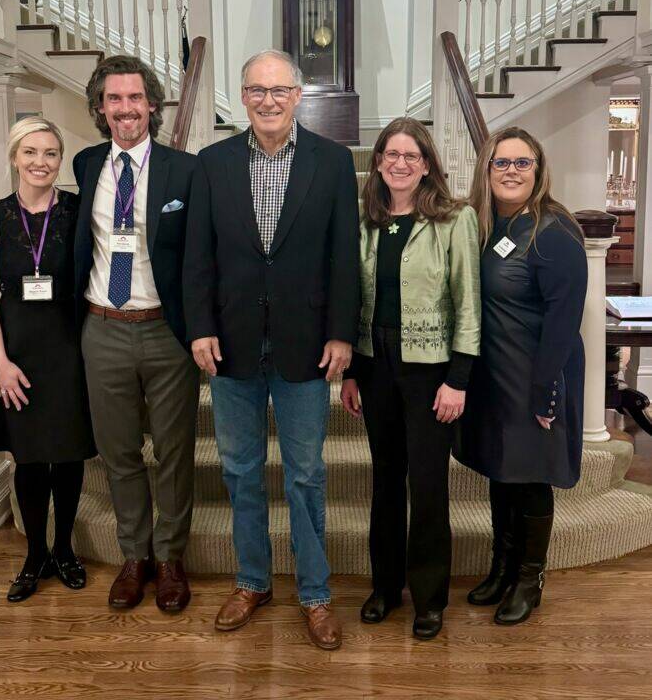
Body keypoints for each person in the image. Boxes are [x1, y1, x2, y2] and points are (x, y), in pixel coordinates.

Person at [184, 49, 360, 651]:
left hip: (306, 345)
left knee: (307, 473)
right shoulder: (212, 163)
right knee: (240, 471)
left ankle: (314, 593)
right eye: (255, 90)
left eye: (278, 90)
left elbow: (343, 256)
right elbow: (197, 256)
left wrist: (342, 333)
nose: (266, 100)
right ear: (242, 96)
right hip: (229, 345)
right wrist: (199, 326)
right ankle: (252, 581)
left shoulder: (332, 163)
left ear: (298, 95)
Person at [340, 117, 480, 640]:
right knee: (384, 481)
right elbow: (357, 301)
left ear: (426, 166)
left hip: (431, 375)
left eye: (411, 156)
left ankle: (429, 598)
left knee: (427, 486)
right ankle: (385, 588)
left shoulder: (453, 219)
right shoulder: (367, 220)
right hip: (375, 368)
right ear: (377, 162)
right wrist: (352, 371)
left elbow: (469, 302)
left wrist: (459, 378)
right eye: (391, 154)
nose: (400, 163)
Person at [73, 55, 198, 613]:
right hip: (102, 328)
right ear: (101, 108)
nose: (126, 109)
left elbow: (201, 256)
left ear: (152, 104)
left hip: (165, 331)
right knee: (118, 451)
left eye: (135, 98)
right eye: (114, 99)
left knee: (173, 451)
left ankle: (170, 558)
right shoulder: (84, 164)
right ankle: (134, 556)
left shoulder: (184, 170)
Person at [455, 126, 587, 626]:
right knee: (502, 471)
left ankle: (530, 579)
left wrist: (544, 390)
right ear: (486, 171)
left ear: (538, 169)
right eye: (501, 163)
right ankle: (502, 568)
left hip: (536, 374)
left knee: (531, 479)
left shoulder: (554, 231)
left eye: (521, 163)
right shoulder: (487, 226)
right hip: (494, 373)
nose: (511, 172)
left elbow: (563, 319)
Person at [0, 117, 95, 602]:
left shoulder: (79, 212)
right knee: (27, 457)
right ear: (14, 157)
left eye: (50, 154)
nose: (40, 163)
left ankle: (64, 549)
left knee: (67, 454)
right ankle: (34, 554)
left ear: (59, 160)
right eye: (31, 153)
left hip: (70, 348)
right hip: (15, 350)